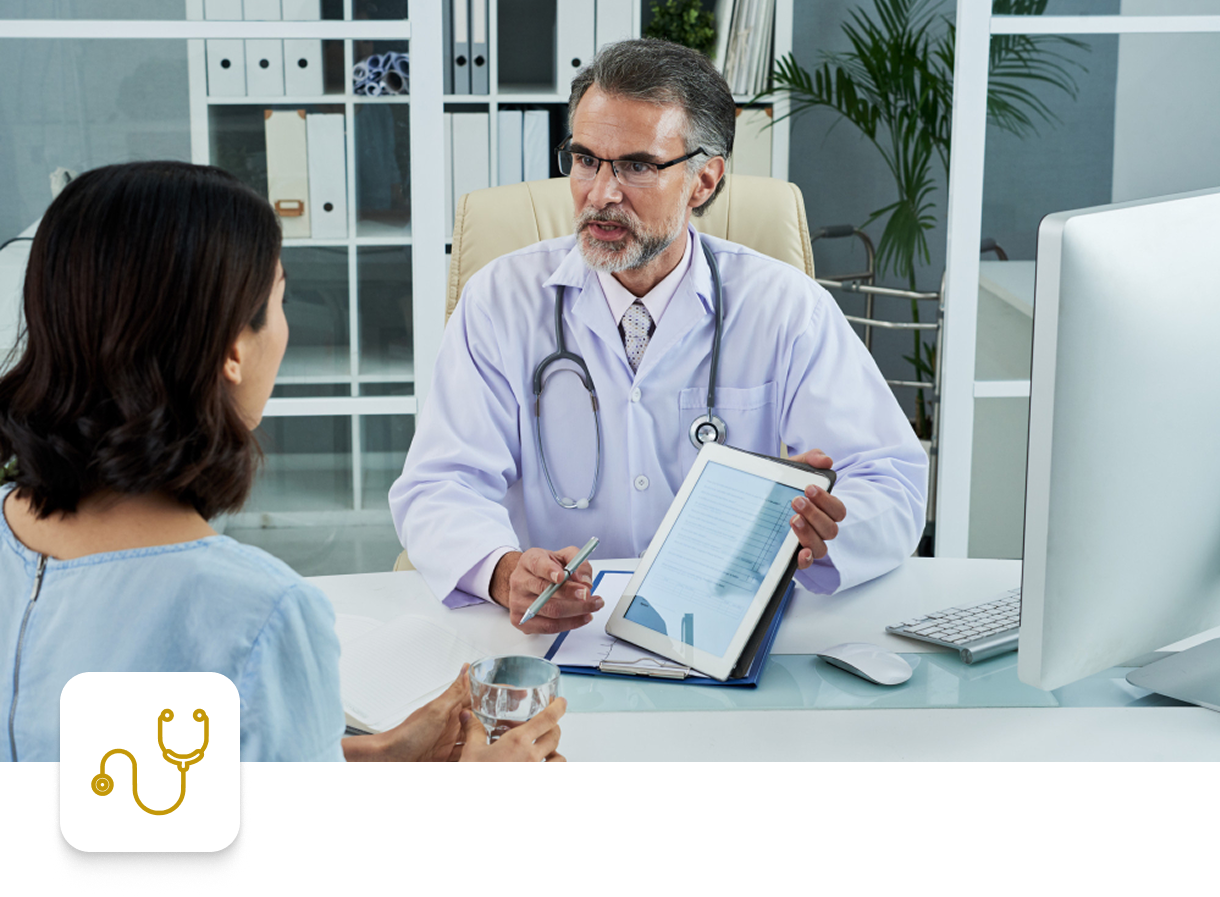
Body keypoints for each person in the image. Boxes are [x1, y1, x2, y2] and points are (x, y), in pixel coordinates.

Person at [0, 161, 564, 762]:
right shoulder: (259, 615)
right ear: (232, 350)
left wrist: (376, 754)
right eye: (279, 298)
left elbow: (127, 784)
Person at [392, 39, 928, 634]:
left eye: (637, 166)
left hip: (722, 629)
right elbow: (441, 483)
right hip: (558, 636)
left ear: (704, 180)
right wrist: (503, 571)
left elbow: (891, 481)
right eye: (586, 159)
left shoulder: (785, 308)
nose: (601, 193)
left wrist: (824, 531)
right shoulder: (500, 301)